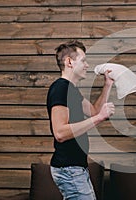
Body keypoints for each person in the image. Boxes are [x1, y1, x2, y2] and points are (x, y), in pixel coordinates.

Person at [47, 40, 115, 200]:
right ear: (69, 62)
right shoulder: (60, 88)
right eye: (83, 60)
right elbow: (60, 133)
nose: (87, 65)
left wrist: (107, 85)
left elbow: (93, 111)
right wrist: (100, 118)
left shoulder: (71, 90)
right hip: (68, 169)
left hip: (76, 167)